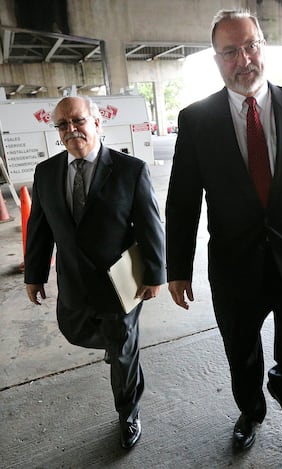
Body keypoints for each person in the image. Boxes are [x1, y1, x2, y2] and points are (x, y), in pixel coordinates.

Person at [165, 9, 282, 452]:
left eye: (250, 46)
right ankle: (251, 412)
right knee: (241, 350)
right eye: (230, 51)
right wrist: (178, 268)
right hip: (234, 263)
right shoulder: (196, 121)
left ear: (262, 47)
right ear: (217, 59)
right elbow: (183, 200)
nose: (243, 58)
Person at [24, 96, 165, 449]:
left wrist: (156, 273)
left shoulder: (130, 169)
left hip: (119, 281)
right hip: (73, 280)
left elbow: (150, 226)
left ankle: (128, 413)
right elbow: (40, 228)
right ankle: (118, 346)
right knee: (75, 331)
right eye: (62, 125)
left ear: (97, 121)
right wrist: (34, 274)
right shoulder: (46, 173)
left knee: (122, 351)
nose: (71, 130)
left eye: (78, 121)